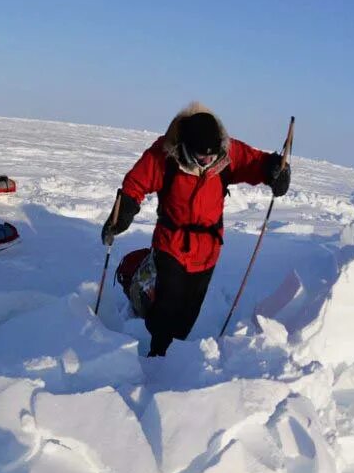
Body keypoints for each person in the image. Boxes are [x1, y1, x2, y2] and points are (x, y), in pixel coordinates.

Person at [101, 104, 290, 357]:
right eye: (202, 157)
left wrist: (275, 170)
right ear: (187, 147)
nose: (208, 162)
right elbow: (136, 182)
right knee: (166, 310)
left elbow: (256, 162)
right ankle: (157, 357)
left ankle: (176, 355)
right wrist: (123, 211)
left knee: (188, 314)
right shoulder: (165, 155)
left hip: (209, 250)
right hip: (172, 244)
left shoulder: (227, 152)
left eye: (212, 157)